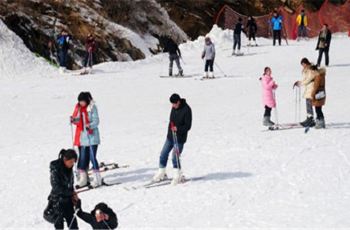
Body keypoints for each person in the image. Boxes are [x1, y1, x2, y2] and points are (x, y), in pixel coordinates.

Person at [152, 93, 192, 185]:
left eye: (174, 103)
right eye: (172, 104)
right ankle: (161, 172)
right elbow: (171, 119)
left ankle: (177, 175)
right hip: (170, 136)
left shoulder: (187, 110)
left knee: (175, 156)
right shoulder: (174, 108)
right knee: (163, 154)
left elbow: (188, 126)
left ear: (178, 102)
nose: (173, 106)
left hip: (180, 138)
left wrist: (178, 129)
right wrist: (172, 127)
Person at [71, 92, 102, 188]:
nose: (81, 103)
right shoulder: (79, 109)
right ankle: (83, 179)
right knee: (83, 158)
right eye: (80, 101)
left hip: (92, 138)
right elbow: (77, 120)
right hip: (83, 138)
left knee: (92, 158)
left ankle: (97, 179)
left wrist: (90, 126)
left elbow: (96, 120)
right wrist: (73, 120)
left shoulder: (92, 108)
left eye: (83, 101)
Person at [48, 149, 79, 229]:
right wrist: (70, 192)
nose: (72, 164)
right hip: (57, 202)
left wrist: (73, 194)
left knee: (73, 224)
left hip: (68, 201)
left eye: (74, 162)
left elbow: (70, 184)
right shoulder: (56, 168)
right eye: (71, 162)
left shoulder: (69, 168)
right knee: (59, 226)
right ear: (65, 159)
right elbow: (56, 187)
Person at [294, 58, 316, 127]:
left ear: (306, 63)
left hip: (311, 88)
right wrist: (299, 82)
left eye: (303, 64)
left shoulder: (311, 69)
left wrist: (300, 83)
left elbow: (308, 79)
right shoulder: (306, 70)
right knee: (308, 102)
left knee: (309, 103)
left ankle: (310, 119)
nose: (303, 66)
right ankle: (308, 118)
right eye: (302, 65)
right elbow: (305, 79)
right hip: (308, 88)